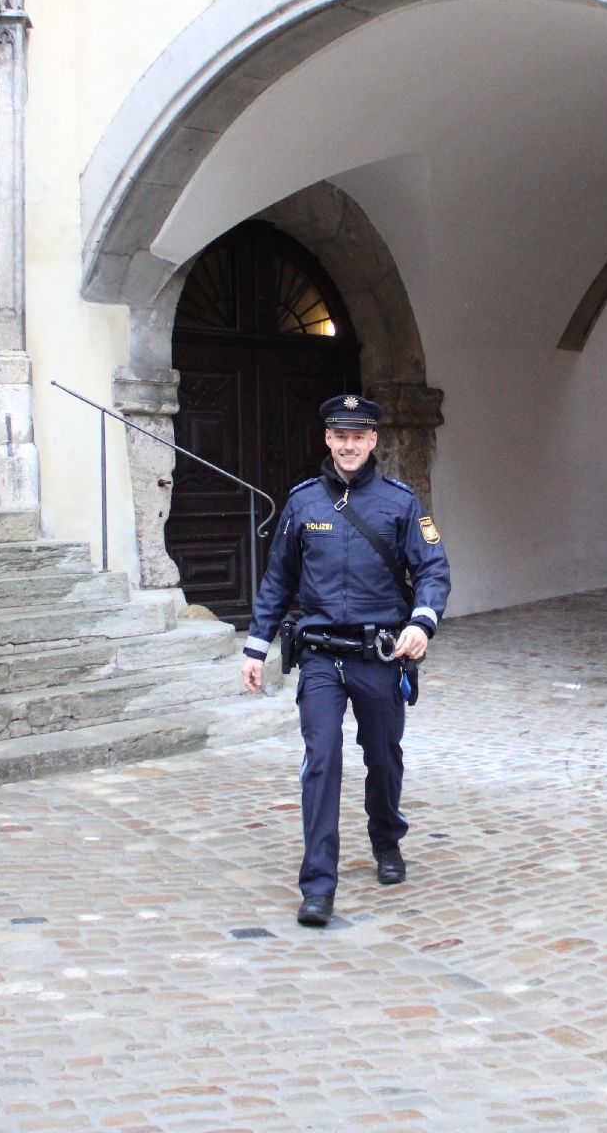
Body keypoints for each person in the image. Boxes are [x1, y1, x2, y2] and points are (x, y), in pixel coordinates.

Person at [240, 394, 452, 928]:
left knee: (382, 757)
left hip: (378, 655)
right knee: (321, 761)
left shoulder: (402, 503)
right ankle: (317, 885)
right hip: (319, 658)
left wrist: (421, 623)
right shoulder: (304, 503)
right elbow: (279, 579)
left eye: (360, 436)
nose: (350, 445)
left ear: (374, 440)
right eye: (341, 436)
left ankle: (386, 840)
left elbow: (432, 570)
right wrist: (256, 645)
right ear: (328, 439)